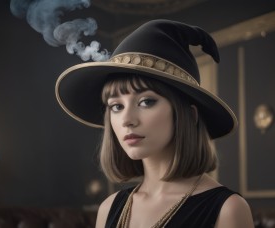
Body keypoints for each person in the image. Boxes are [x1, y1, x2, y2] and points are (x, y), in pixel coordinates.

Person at [56, 19, 254, 228]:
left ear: (190, 114)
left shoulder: (228, 210)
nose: (127, 120)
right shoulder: (109, 208)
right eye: (116, 106)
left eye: (146, 101)